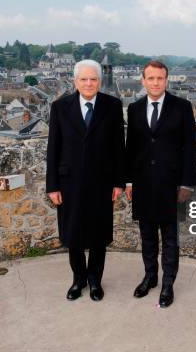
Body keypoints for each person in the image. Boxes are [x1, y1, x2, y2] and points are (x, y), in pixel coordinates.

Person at [46, 59, 125, 301]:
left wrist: (119, 182)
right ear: (75, 81)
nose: (89, 83)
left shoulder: (112, 106)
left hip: (101, 183)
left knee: (99, 235)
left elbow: (118, 148)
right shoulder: (60, 107)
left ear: (99, 81)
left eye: (93, 79)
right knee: (73, 235)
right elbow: (54, 148)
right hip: (68, 183)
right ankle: (78, 279)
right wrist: (52, 186)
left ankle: (94, 281)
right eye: (84, 79)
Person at [125, 60, 196, 307]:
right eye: (151, 78)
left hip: (172, 186)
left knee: (170, 239)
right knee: (147, 237)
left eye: (160, 78)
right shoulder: (133, 109)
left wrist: (187, 184)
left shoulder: (182, 107)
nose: (155, 83)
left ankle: (168, 284)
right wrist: (129, 181)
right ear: (143, 81)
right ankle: (150, 277)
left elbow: (190, 148)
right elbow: (131, 148)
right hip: (143, 184)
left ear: (167, 81)